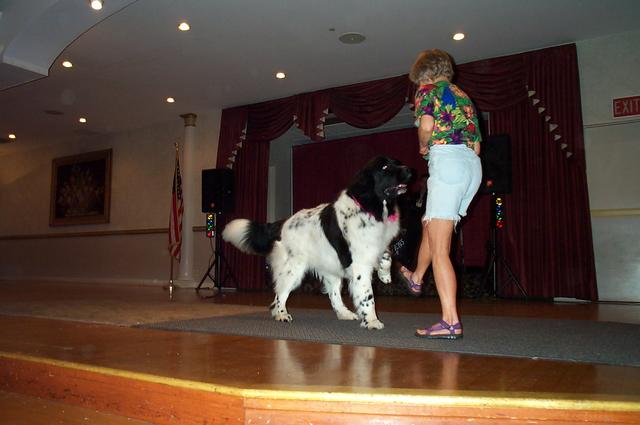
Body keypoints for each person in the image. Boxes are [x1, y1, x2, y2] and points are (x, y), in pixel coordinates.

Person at [400, 49, 482, 339]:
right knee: (431, 225)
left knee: (440, 250)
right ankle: (417, 277)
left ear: (425, 74)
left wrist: (424, 145)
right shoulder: (464, 96)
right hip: (472, 169)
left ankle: (450, 321)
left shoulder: (428, 90)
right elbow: (477, 146)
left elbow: (426, 125)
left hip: (448, 165)